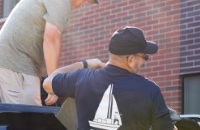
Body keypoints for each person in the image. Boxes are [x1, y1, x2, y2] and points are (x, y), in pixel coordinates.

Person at [0, 0, 99, 106]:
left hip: (12, 64)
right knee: (27, 119)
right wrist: (53, 83)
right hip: (17, 64)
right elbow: (51, 38)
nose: (82, 5)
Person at [43, 26, 174, 130]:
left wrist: (86, 63)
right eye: (144, 57)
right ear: (131, 59)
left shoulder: (81, 78)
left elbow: (47, 83)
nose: (144, 61)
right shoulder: (150, 90)